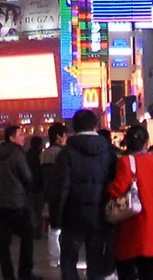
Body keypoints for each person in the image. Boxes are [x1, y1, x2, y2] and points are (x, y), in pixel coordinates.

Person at [52, 108, 115, 280]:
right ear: (96, 126)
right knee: (96, 261)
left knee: (68, 260)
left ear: (74, 127)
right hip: (100, 215)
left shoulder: (66, 153)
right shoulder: (108, 152)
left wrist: (56, 220)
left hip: (72, 216)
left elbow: (60, 188)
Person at [107, 124, 153, 280]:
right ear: (146, 142)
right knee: (151, 272)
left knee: (127, 268)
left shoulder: (127, 162)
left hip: (136, 223)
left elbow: (117, 189)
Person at [0, 124, 36, 280]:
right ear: (11, 138)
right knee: (27, 236)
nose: (23, 137)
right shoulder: (17, 153)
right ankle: (25, 273)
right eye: (20, 134)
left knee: (4, 241)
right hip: (16, 202)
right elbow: (27, 177)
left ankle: (7, 275)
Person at [38, 122, 67, 270]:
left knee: (53, 229)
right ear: (59, 137)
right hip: (61, 195)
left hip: (48, 195)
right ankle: (61, 258)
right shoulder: (63, 153)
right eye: (64, 135)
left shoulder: (44, 154)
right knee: (61, 229)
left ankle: (54, 260)